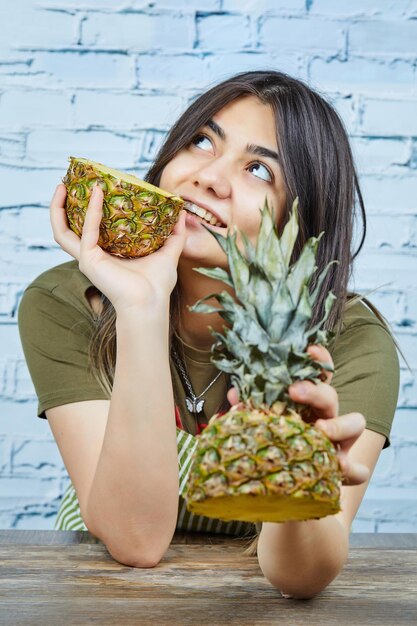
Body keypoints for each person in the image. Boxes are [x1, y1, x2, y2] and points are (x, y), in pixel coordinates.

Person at [18, 71, 400, 599]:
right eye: (202, 141)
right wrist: (142, 308)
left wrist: (295, 490)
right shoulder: (67, 302)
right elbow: (136, 541)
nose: (210, 177)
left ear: (301, 222)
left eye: (260, 169)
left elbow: (302, 579)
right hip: (102, 592)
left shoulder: (349, 340)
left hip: (255, 601)